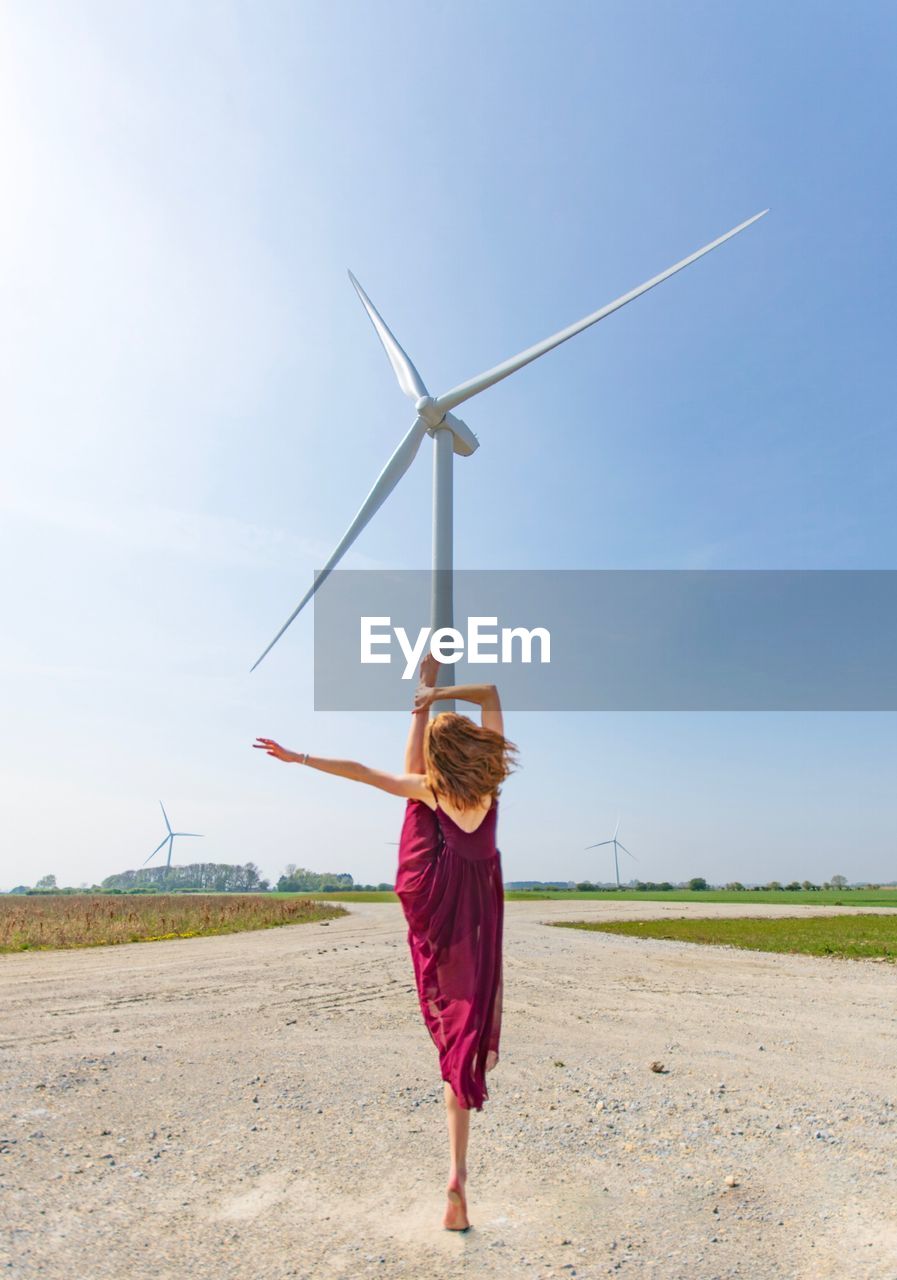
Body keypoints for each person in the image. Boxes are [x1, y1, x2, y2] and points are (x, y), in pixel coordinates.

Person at [253, 654, 517, 1232]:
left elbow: (361, 771)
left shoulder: (427, 788)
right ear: (473, 746)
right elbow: (492, 692)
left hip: (438, 901)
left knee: (451, 1023)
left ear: (437, 757)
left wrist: (298, 756)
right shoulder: (491, 783)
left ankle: (454, 1168)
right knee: (473, 1022)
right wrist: (440, 692)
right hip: (478, 906)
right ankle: (459, 1164)